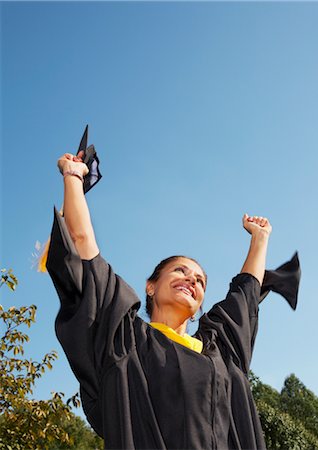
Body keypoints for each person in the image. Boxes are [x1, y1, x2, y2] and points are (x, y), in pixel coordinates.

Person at [47, 152, 300, 450]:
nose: (192, 279)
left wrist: (260, 238)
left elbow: (245, 293)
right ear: (150, 287)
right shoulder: (126, 342)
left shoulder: (222, 351)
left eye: (200, 280)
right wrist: (73, 176)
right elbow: (83, 249)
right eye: (180, 270)